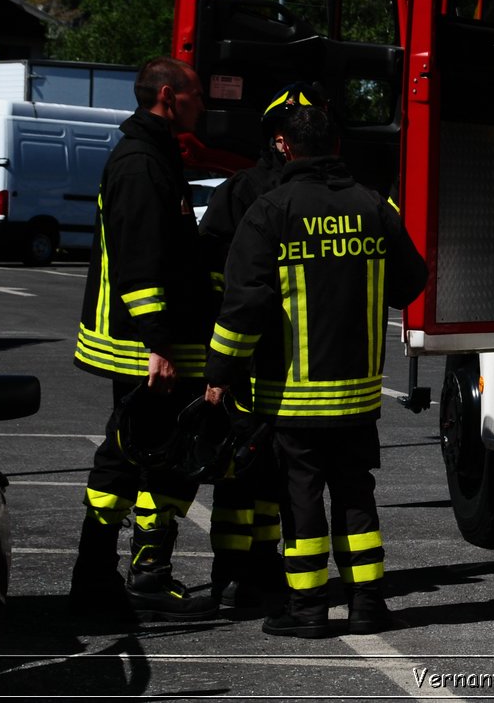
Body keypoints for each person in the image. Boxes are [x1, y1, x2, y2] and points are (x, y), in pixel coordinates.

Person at [205, 102, 428, 638]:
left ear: (285, 144)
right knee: (356, 494)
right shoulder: (374, 207)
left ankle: (307, 609)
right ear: (337, 145)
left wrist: (219, 374)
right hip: (358, 395)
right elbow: (410, 282)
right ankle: (368, 603)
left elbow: (243, 306)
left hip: (293, 395)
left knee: (300, 499)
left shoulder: (271, 210)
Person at [69, 56, 218, 621]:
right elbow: (140, 262)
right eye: (195, 94)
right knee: (127, 457)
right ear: (165, 95)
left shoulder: (156, 154)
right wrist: (157, 343)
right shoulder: (138, 163)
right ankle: (98, 580)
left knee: (161, 457)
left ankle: (143, 574)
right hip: (140, 346)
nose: (202, 104)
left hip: (158, 341)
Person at [198, 83, 323, 609]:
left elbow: (208, 272)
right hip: (288, 357)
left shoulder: (239, 192)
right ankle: (255, 574)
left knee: (243, 468)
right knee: (267, 469)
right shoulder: (314, 194)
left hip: (250, 353)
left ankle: (236, 574)